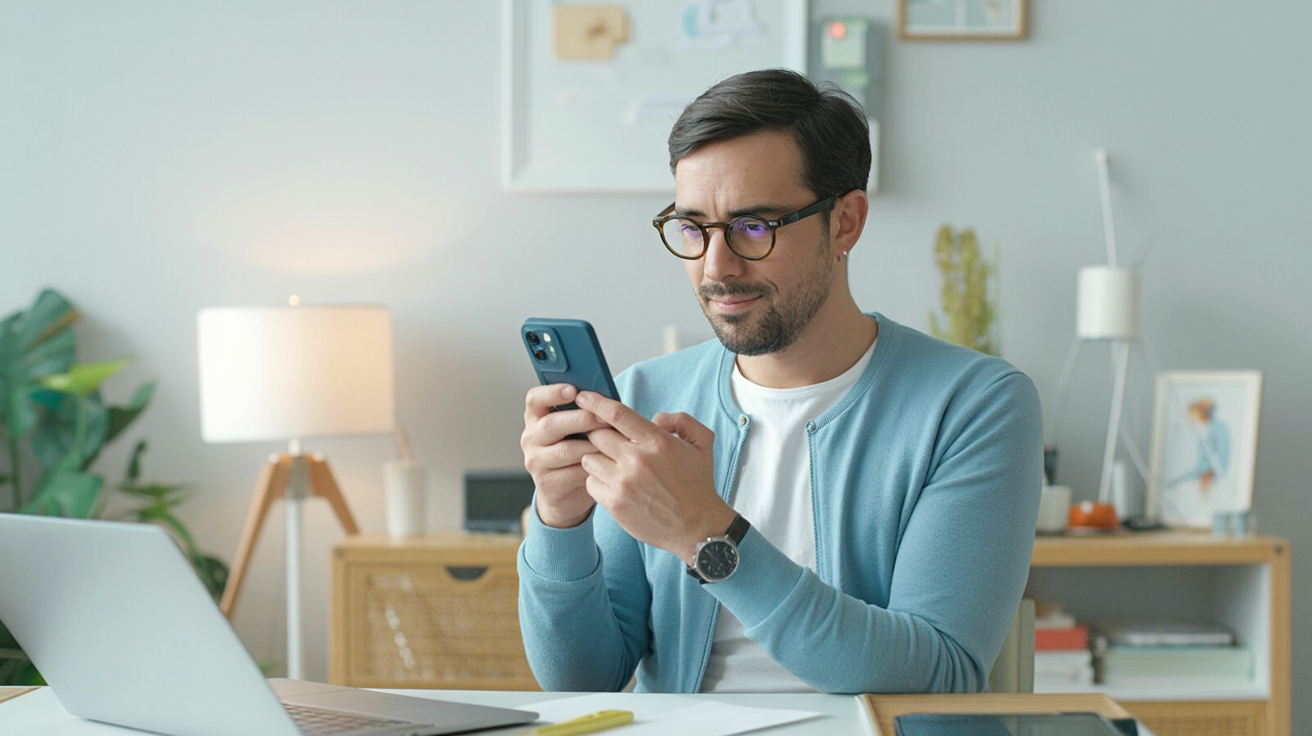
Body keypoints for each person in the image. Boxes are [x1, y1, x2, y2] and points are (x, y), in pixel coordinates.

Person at [517, 69, 1043, 695]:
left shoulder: (973, 406)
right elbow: (581, 682)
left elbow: (940, 676)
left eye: (754, 227)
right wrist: (560, 523)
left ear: (845, 222)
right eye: (693, 228)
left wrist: (705, 532)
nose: (716, 267)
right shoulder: (645, 398)